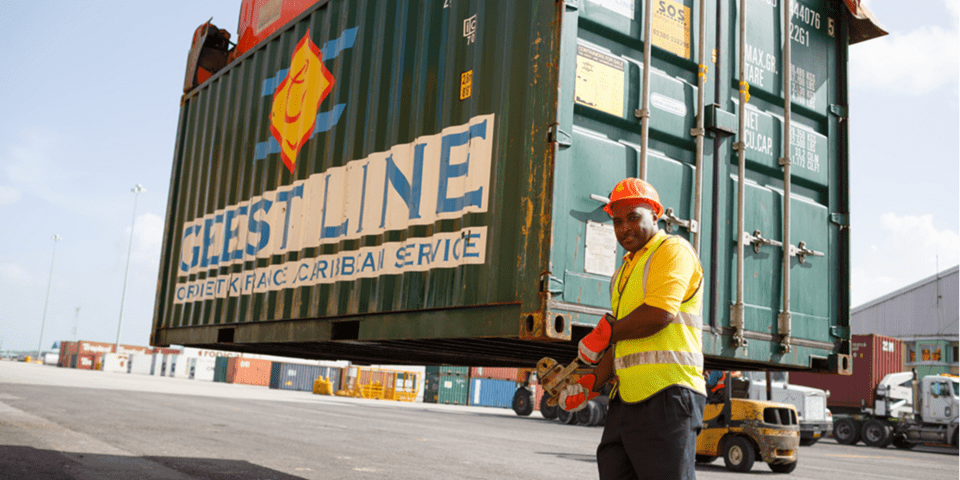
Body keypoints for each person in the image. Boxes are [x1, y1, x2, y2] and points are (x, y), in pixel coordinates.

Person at [558, 177, 707, 480]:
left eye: (633, 217)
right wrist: (591, 383)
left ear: (655, 214)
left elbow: (660, 313)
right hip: (626, 399)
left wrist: (604, 334)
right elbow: (622, 342)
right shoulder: (623, 272)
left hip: (669, 395)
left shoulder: (673, 250)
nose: (625, 227)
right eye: (617, 221)